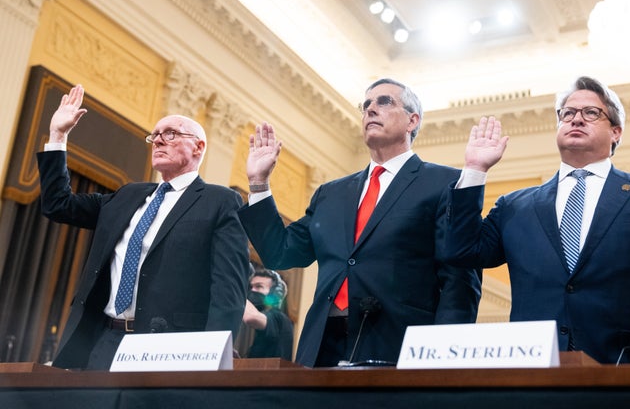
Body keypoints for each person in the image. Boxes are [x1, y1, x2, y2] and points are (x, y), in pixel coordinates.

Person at [441, 75, 630, 364]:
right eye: (568, 114)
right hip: (536, 375)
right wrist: (474, 170)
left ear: (616, 132)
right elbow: (462, 251)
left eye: (591, 113)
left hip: (628, 373)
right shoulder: (515, 205)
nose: (576, 120)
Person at [239, 78, 481, 367]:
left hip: (399, 346)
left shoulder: (444, 183)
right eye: (365, 105)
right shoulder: (331, 193)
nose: (370, 110)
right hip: (322, 347)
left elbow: (459, 279)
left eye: (384, 102)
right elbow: (281, 252)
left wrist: (445, 353)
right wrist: (258, 183)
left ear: (412, 121)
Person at [37, 84, 249, 370]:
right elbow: (58, 205)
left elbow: (229, 290)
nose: (159, 141)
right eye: (155, 136)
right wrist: (58, 135)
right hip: (102, 342)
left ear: (199, 147)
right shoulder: (128, 195)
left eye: (171, 134)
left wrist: (211, 357)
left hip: (168, 350)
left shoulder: (220, 201)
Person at [242, 268, 294, 359]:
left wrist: (238, 293)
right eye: (251, 287)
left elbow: (250, 317)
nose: (252, 291)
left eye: (259, 286)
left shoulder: (278, 317)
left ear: (274, 293)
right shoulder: (267, 319)